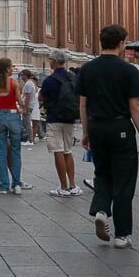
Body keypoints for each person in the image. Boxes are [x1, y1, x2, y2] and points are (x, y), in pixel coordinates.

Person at [79, 24, 139, 248]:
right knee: (124, 180)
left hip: (97, 127)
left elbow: (83, 104)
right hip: (120, 127)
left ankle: (100, 210)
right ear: (120, 43)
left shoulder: (87, 69)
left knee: (103, 173)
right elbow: (135, 105)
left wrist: (86, 132)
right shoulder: (128, 70)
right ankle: (122, 235)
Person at [40, 50, 81, 197]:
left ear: (54, 61)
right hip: (70, 118)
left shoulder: (50, 80)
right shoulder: (73, 77)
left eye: (50, 59)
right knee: (68, 151)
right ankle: (73, 185)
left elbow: (42, 97)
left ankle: (63, 187)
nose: (49, 61)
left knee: (58, 151)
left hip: (54, 118)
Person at [0, 58, 29, 194]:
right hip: (13, 116)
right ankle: (16, 184)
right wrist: (23, 107)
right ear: (7, 69)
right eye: (11, 66)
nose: (12, 68)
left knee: (2, 152)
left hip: (0, 118)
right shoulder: (13, 82)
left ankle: (4, 185)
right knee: (16, 151)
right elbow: (20, 102)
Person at [20, 69, 40, 146]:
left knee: (27, 123)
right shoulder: (30, 83)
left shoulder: (28, 84)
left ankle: (30, 140)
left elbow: (28, 97)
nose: (21, 76)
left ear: (25, 75)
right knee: (26, 123)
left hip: (28, 106)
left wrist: (25, 107)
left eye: (22, 75)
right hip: (29, 105)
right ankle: (28, 139)